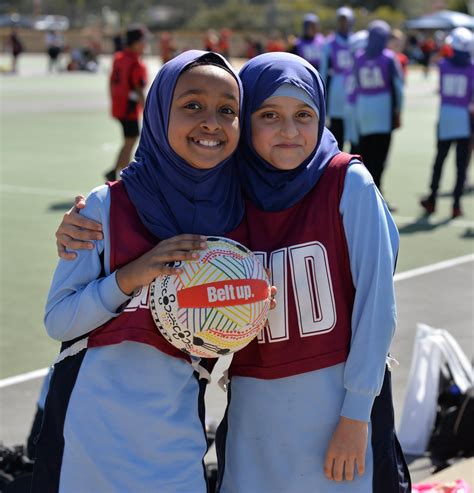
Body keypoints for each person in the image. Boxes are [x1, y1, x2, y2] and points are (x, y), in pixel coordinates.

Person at [55, 52, 410, 492]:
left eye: (304, 114)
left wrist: (357, 416)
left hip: (337, 417)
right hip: (250, 418)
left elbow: (378, 307)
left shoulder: (344, 182)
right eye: (267, 114)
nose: (288, 129)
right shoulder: (226, 198)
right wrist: (81, 229)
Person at [31, 50, 249, 492]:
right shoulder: (103, 207)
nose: (211, 121)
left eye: (227, 110)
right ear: (156, 111)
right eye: (192, 105)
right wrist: (131, 276)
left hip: (176, 439)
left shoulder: (238, 220)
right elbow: (59, 320)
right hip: (86, 436)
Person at [420, 27, 474, 219]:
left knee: (440, 160)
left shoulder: (444, 64)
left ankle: (432, 199)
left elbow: (439, 55)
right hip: (463, 118)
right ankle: (456, 205)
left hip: (446, 116)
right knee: (461, 166)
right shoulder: (471, 67)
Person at [353, 20, 404, 208]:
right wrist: (398, 110)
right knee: (380, 158)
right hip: (383, 114)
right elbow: (398, 88)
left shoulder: (358, 57)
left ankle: (362, 198)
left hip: (363, 112)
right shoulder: (389, 58)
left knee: (364, 157)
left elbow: (354, 86)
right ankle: (377, 198)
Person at [103, 26, 148, 182]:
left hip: (119, 106)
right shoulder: (136, 63)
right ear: (134, 43)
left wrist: (114, 101)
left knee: (129, 140)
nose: (145, 44)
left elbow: (110, 82)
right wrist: (148, 111)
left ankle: (114, 170)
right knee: (130, 141)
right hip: (129, 109)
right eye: (142, 41)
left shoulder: (119, 58)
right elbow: (139, 89)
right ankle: (123, 176)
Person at [319, 6, 355, 149]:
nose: (343, 24)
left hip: (353, 88)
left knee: (353, 130)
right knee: (337, 128)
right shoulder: (330, 43)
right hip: (337, 89)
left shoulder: (357, 40)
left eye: (345, 20)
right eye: (340, 20)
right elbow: (323, 70)